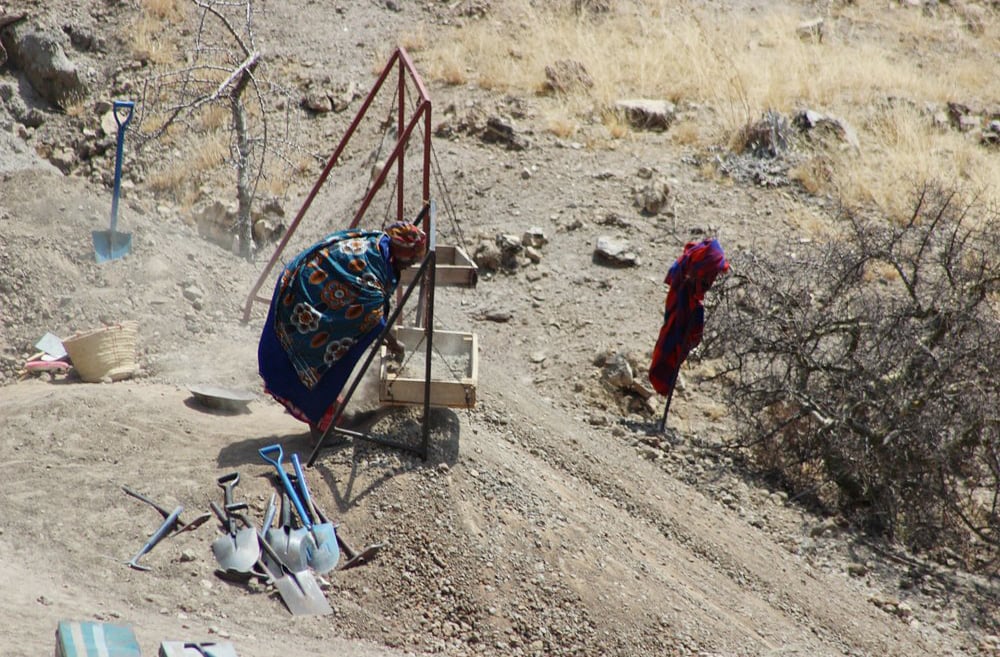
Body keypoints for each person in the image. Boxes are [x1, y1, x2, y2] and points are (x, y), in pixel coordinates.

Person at [257, 221, 428, 437]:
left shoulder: (381, 245)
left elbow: (373, 304)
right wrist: (394, 342)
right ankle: (319, 430)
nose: (410, 264)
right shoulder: (372, 262)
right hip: (303, 296)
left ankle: (326, 414)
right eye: (410, 258)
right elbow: (374, 318)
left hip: (311, 286)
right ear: (401, 251)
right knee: (322, 357)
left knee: (332, 352)